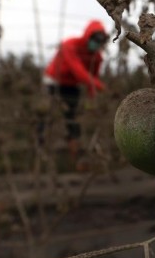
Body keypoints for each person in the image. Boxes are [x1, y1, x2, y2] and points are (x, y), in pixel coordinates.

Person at [39, 19, 108, 161]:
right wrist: (101, 87)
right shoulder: (69, 45)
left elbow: (92, 78)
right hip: (54, 82)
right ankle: (41, 147)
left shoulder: (97, 57)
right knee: (46, 115)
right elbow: (79, 72)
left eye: (100, 42)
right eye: (95, 39)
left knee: (72, 118)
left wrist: (92, 98)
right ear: (88, 36)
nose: (96, 44)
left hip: (72, 86)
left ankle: (74, 154)